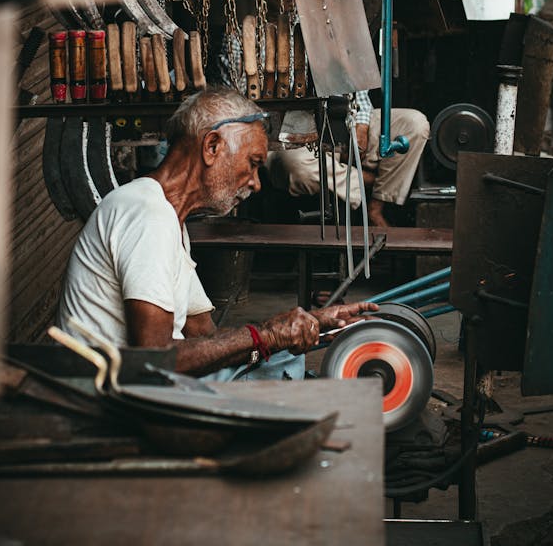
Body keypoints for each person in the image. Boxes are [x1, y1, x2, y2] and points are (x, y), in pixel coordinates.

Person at [58, 87, 377, 378]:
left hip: (142, 385)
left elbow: (207, 338)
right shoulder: (146, 214)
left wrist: (309, 325)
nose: (256, 182)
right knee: (284, 380)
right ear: (211, 146)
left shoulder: (170, 222)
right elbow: (154, 360)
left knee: (281, 363)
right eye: (252, 163)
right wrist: (267, 334)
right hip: (113, 399)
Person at [260, 0, 430, 229]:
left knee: (413, 124)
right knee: (294, 166)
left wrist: (361, 124)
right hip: (288, 139)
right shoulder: (247, 36)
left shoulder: (320, 27)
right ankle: (366, 184)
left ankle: (376, 206)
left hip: (340, 124)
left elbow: (354, 83)